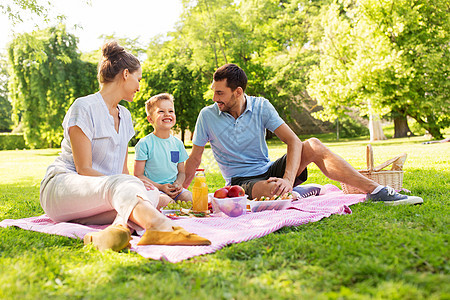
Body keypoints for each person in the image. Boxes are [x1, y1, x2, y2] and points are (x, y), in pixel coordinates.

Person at [40, 41, 210, 252]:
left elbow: (122, 171)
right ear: (126, 74)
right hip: (63, 188)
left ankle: (114, 230)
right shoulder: (83, 107)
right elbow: (84, 169)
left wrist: (137, 184)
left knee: (151, 195)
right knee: (132, 189)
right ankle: (160, 227)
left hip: (105, 194)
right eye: (138, 79)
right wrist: (129, 182)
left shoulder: (125, 115)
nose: (140, 86)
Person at [183, 63, 423, 206]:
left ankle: (377, 191)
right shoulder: (208, 115)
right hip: (241, 182)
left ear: (237, 92)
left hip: (270, 170)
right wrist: (179, 189)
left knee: (314, 145)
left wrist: (288, 178)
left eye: (220, 93)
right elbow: (194, 159)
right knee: (272, 192)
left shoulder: (261, 106)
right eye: (214, 92)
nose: (215, 99)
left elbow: (293, 141)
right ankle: (293, 191)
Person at [134, 93, 192, 206]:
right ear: (150, 119)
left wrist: (178, 184)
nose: (167, 114)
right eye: (161, 111)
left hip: (174, 189)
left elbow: (181, 172)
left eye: (171, 111)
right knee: (167, 203)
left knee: (191, 199)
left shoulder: (178, 144)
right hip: (155, 190)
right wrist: (160, 187)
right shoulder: (144, 144)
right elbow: (138, 175)